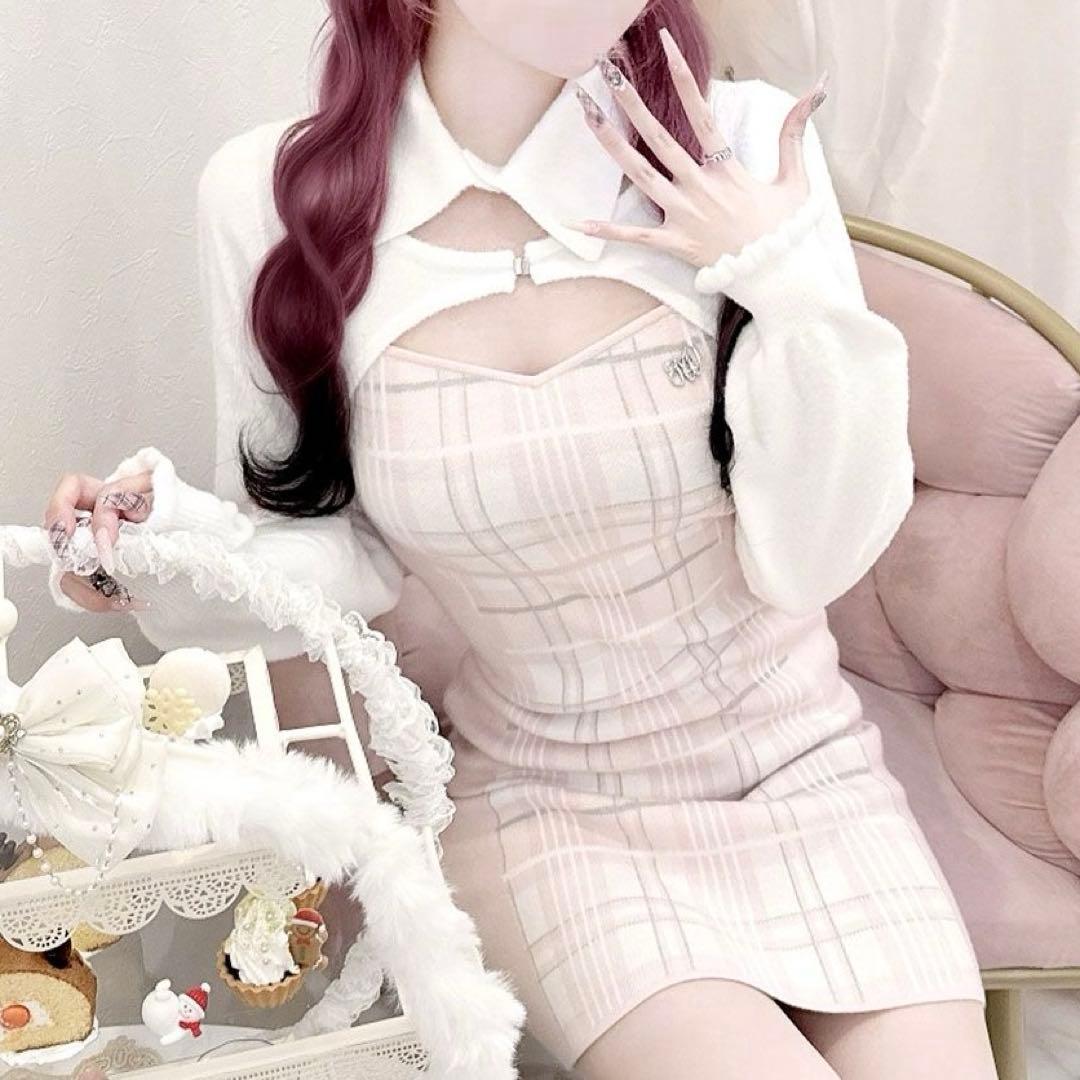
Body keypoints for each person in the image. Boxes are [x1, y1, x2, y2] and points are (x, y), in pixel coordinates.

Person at [41, 1, 999, 1076]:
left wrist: (787, 284)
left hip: (811, 772)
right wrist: (158, 555)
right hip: (552, 807)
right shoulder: (276, 200)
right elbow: (333, 553)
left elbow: (814, 559)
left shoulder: (737, 145)